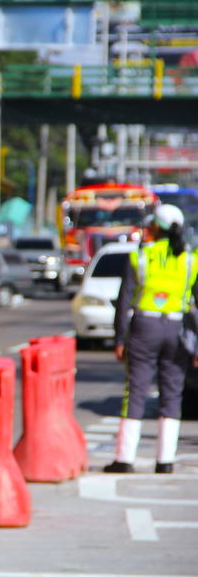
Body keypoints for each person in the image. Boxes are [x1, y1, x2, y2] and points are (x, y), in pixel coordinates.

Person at [108, 203, 197, 474]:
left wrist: (120, 339)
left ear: (155, 227)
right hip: (178, 328)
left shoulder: (141, 256)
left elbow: (124, 301)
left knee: (135, 390)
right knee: (173, 392)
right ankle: (165, 461)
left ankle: (125, 459)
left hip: (144, 328)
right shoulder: (191, 260)